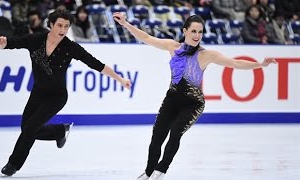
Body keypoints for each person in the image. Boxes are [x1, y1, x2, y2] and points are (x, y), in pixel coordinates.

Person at [113, 12, 276, 180]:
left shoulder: (207, 55)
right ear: (185, 31)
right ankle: (148, 173)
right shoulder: (173, 46)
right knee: (157, 137)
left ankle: (160, 171)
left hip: (193, 103)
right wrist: (125, 24)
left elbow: (235, 63)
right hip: (172, 98)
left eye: (200, 31)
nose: (197, 35)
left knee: (175, 132)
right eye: (193, 31)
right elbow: (146, 37)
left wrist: (261, 65)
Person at [0, 9, 131, 177]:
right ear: (51, 25)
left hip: (57, 97)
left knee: (30, 128)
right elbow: (14, 42)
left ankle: (12, 165)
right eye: (59, 25)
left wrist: (120, 79)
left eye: (66, 26)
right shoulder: (36, 39)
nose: (63, 30)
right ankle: (59, 132)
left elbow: (95, 64)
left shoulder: (70, 47)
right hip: (38, 93)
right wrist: (3, 44)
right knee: (27, 128)